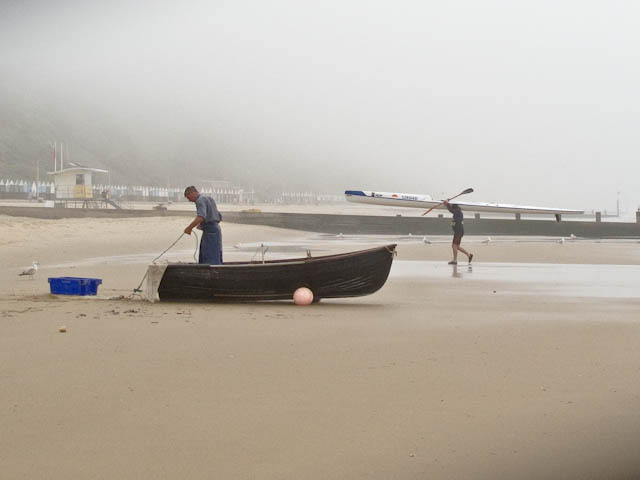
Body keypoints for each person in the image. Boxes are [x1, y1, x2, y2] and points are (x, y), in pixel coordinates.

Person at [184, 186, 223, 265]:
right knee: (215, 253)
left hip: (210, 230)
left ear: (193, 193)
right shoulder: (209, 198)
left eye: (189, 197)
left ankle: (211, 273)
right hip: (216, 229)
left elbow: (201, 216)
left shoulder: (199, 200)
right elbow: (218, 216)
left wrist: (189, 228)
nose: (189, 200)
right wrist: (202, 225)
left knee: (209, 255)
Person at [444, 200, 473, 265]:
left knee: (454, 245)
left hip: (458, 231)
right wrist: (448, 204)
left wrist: (447, 204)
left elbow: (452, 210)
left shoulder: (458, 212)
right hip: (459, 231)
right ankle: (469, 255)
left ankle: (455, 260)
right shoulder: (458, 212)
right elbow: (452, 211)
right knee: (457, 246)